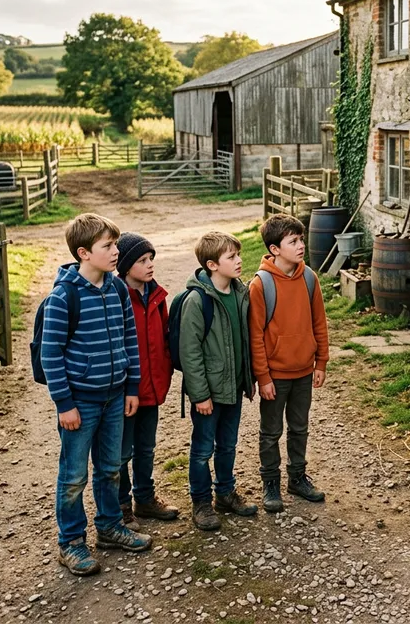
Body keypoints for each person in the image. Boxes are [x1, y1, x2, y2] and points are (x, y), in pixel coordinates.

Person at [41, 214, 151, 577]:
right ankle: (71, 543)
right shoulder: (64, 297)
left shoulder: (118, 289)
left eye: (115, 245)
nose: (116, 252)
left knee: (110, 468)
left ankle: (109, 528)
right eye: (108, 246)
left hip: (116, 397)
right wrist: (65, 404)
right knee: (74, 475)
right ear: (84, 253)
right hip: (81, 403)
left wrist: (131, 386)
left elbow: (129, 340)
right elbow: (50, 353)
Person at [249, 214, 329, 512]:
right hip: (275, 375)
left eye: (301, 239)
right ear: (274, 249)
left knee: (300, 426)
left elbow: (319, 323)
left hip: (304, 370)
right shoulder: (261, 284)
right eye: (292, 241)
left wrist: (321, 361)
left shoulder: (309, 278)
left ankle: (297, 477)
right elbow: (255, 336)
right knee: (271, 431)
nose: (300, 246)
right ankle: (270, 482)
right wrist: (263, 377)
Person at [179, 232, 258, 532]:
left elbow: (244, 340)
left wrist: (247, 380)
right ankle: (201, 502)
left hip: (233, 387)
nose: (239, 261)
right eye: (232, 257)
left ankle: (225, 492)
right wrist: (199, 395)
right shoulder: (198, 300)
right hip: (208, 393)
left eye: (238, 255)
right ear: (212, 265)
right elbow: (190, 352)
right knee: (202, 449)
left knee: (228, 444)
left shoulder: (240, 293)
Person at [116, 232, 179, 529]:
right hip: (125, 391)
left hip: (152, 386)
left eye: (151, 258)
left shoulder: (157, 296)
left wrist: (165, 369)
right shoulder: (116, 297)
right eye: (142, 260)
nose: (150, 264)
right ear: (126, 266)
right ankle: (121, 506)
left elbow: (164, 339)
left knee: (146, 447)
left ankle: (144, 498)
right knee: (121, 452)